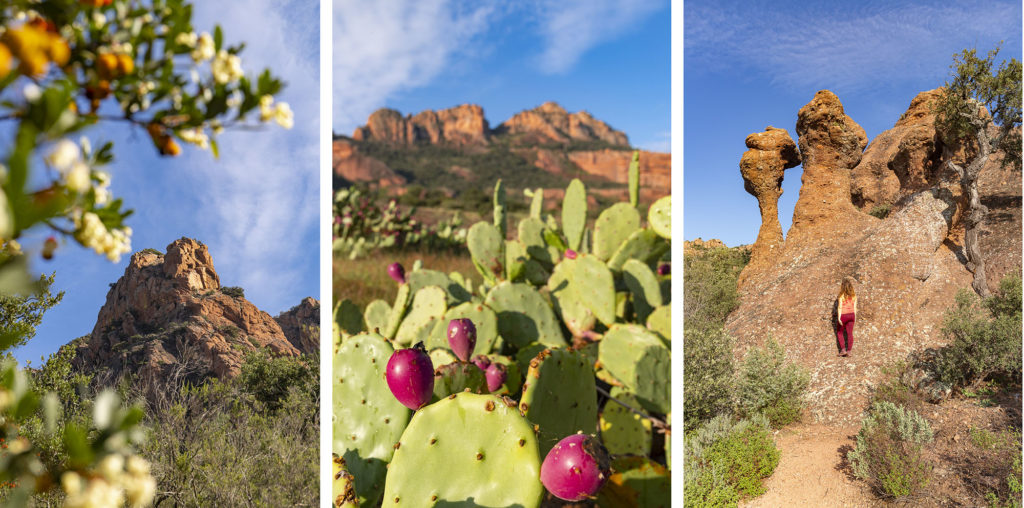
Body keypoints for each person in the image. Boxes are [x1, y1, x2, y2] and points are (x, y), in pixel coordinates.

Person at [836, 277, 857, 357]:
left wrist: (839, 318)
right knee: (850, 333)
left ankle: (843, 350)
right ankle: (849, 351)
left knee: (840, 332)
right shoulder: (854, 295)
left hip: (843, 315)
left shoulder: (841, 296)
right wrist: (855, 317)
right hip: (852, 315)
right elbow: (855, 307)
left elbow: (839, 307)